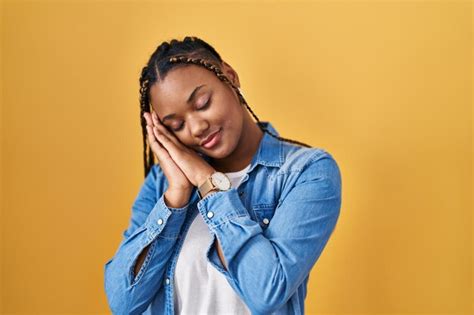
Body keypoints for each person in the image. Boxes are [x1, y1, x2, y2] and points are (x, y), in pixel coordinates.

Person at [104, 36, 342, 315]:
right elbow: (123, 302)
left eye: (203, 103)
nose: (196, 127)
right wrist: (177, 195)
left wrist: (209, 182)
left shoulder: (305, 172)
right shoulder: (163, 183)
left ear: (229, 76)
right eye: (177, 125)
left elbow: (266, 291)